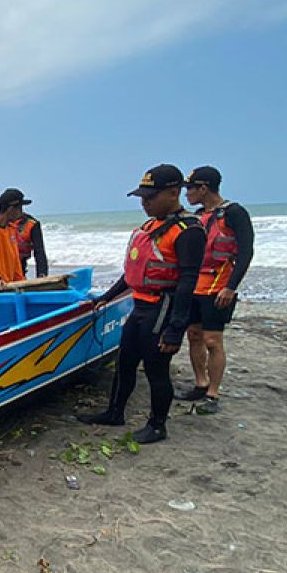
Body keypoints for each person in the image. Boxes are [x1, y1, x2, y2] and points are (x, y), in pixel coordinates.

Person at [78, 164, 205, 443]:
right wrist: (106, 298)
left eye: (150, 198)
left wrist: (175, 328)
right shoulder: (151, 227)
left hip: (163, 308)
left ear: (173, 192)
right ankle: (115, 412)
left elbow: (187, 282)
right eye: (142, 199)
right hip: (140, 306)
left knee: (156, 369)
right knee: (125, 362)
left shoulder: (188, 230)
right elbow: (132, 273)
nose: (145, 204)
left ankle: (158, 426)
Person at [176, 166, 255, 414]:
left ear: (204, 188)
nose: (186, 194)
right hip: (194, 286)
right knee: (194, 335)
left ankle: (213, 392)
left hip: (218, 285)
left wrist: (231, 287)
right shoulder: (198, 216)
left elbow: (246, 252)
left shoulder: (234, 213)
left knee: (213, 340)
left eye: (190, 188)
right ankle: (200, 383)